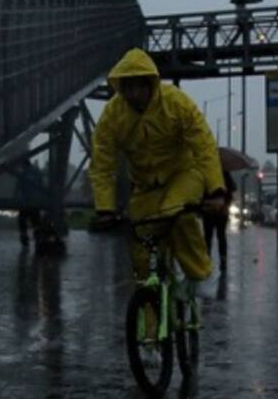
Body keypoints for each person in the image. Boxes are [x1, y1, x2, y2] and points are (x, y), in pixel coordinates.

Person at [90, 48, 226, 289]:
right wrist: (105, 209)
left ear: (150, 84)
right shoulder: (113, 114)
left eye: (138, 87)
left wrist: (216, 190)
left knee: (178, 215)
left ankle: (199, 275)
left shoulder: (176, 102)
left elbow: (203, 145)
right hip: (145, 186)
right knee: (142, 246)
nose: (133, 94)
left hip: (183, 174)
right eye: (127, 88)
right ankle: (150, 305)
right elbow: (102, 162)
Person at [203, 168, 237, 270]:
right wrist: (226, 204)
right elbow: (232, 189)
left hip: (209, 210)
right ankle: (222, 261)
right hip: (221, 211)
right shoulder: (224, 173)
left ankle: (207, 261)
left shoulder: (206, 172)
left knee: (208, 237)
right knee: (220, 236)